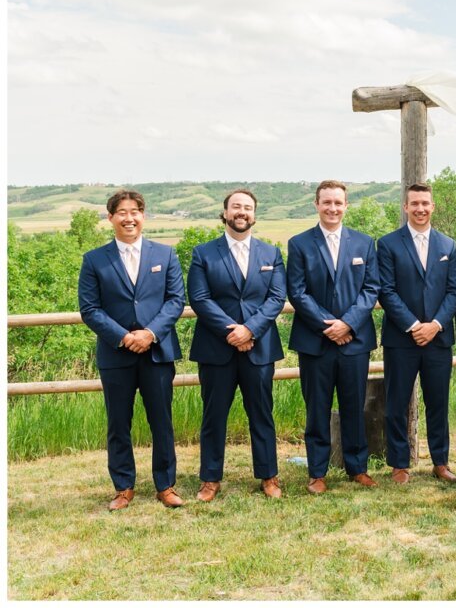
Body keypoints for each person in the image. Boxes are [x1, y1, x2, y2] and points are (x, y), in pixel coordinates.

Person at [78, 190, 185, 510]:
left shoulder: (165, 255)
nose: (129, 217)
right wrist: (126, 337)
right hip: (116, 355)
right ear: (110, 218)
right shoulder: (94, 259)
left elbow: (175, 300)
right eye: (121, 212)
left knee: (162, 421)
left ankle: (165, 485)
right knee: (118, 423)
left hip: (157, 352)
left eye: (135, 211)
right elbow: (90, 308)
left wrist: (150, 334)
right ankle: (123, 487)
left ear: (144, 215)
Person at [188, 189, 286, 501]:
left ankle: (269, 476)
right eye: (235, 207)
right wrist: (233, 332)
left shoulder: (271, 254)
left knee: (262, 414)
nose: (241, 212)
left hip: (258, 348)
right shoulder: (204, 253)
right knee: (214, 415)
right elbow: (200, 298)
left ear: (254, 214)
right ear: (225, 212)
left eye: (247, 207)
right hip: (217, 348)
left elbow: (276, 298)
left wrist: (251, 330)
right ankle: (210, 479)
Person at [287, 180, 380, 492]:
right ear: (316, 205)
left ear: (346, 206)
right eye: (326, 202)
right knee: (317, 408)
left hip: (354, 341)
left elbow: (371, 289)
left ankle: (357, 467)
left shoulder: (364, 243)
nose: (332, 208)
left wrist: (348, 324)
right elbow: (297, 292)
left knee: (355, 406)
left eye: (338, 203)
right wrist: (329, 325)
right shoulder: (299, 244)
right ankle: (317, 472)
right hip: (316, 342)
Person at [377, 183, 456, 484]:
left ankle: (440, 461)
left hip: (438, 338)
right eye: (414, 203)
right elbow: (386, 291)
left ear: (433, 206)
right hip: (402, 338)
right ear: (405, 207)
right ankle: (399, 463)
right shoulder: (387, 244)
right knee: (397, 403)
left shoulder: (448, 245)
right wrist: (414, 326)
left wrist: (435, 325)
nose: (420, 208)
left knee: (438, 402)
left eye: (425, 203)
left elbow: (454, 291)